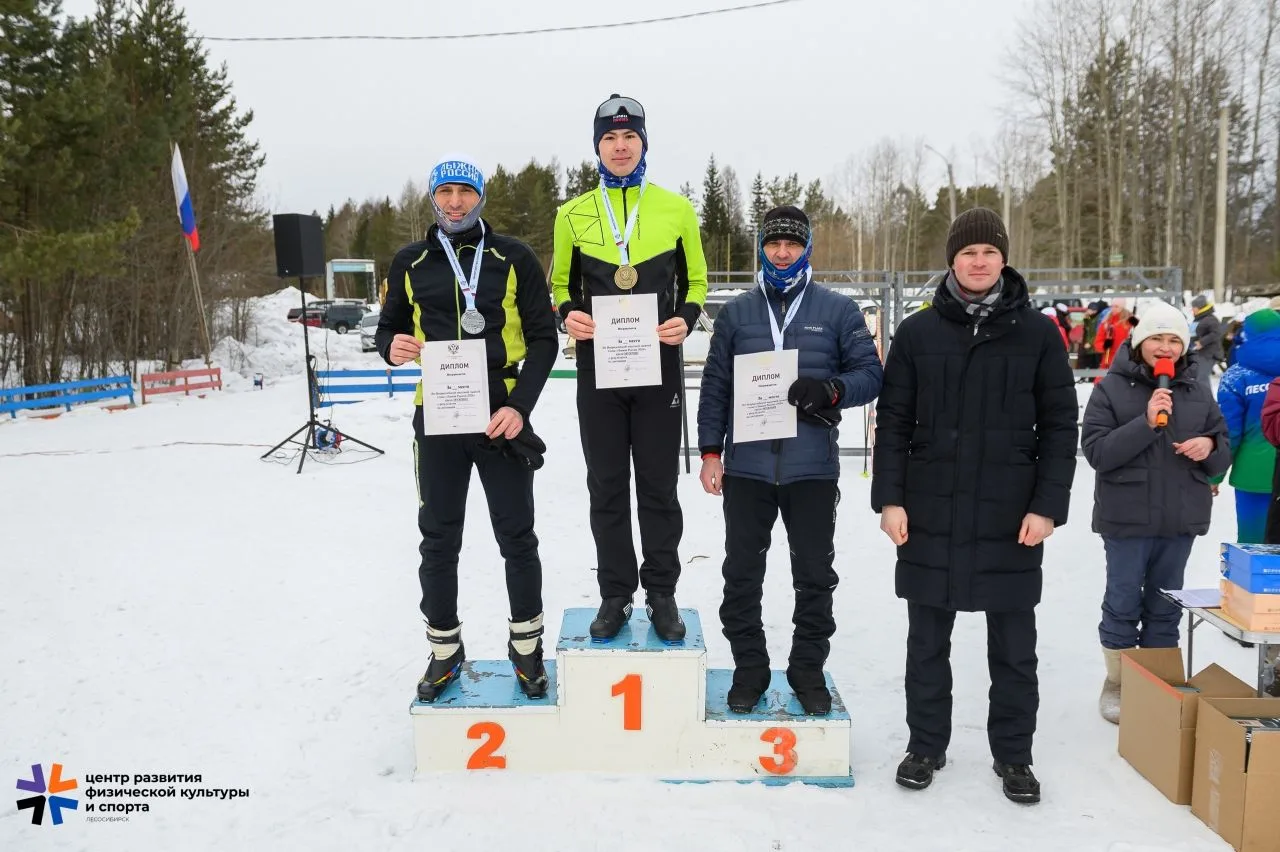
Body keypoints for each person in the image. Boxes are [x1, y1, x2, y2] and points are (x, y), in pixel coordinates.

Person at [871, 207, 1078, 804]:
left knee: (1014, 650)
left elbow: (1060, 426)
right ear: (952, 261)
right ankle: (925, 745)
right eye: (968, 252)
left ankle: (1014, 755)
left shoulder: (1038, 334)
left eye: (989, 251)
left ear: (1004, 259)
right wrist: (890, 499)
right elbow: (894, 423)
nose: (979, 261)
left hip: (1009, 516)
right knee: (926, 644)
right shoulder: (917, 333)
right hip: (930, 511)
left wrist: (1047, 506)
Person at [377, 155, 559, 702]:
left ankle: (526, 646)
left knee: (517, 535)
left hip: (500, 411)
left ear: (481, 198)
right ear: (433, 198)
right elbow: (388, 329)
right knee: (438, 538)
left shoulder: (514, 256)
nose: (455, 202)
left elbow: (544, 339)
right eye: (445, 192)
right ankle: (444, 650)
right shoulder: (409, 261)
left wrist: (520, 407)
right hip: (438, 412)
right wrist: (390, 348)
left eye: (465, 192)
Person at [696, 206, 883, 716]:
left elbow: (871, 374)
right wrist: (710, 451)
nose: (782, 253)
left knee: (815, 577)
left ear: (807, 248)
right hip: (747, 469)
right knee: (741, 576)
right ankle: (749, 669)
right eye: (774, 244)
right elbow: (715, 386)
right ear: (762, 248)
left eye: (793, 244)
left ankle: (807, 670)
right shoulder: (737, 313)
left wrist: (832, 389)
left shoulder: (837, 310)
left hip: (811, 470)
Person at [550, 94, 708, 642]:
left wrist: (686, 318)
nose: (620, 147)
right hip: (600, 372)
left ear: (644, 143)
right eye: (610, 139)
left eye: (630, 137)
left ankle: (661, 591)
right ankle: (616, 593)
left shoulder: (675, 208)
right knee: (607, 485)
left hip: (657, 367)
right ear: (597, 147)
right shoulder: (571, 214)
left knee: (659, 486)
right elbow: (560, 286)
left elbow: (696, 283)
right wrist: (568, 314)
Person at [1081, 301, 1229, 724]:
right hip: (1127, 517)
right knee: (1123, 600)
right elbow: (1097, 452)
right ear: (1139, 342)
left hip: (1179, 517)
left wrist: (1210, 447)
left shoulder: (1197, 389)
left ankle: (1158, 679)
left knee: (1166, 603)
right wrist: (1145, 423)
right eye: (1156, 339)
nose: (1165, 347)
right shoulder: (1110, 389)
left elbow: (1222, 451)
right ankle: (1118, 680)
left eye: (1173, 340)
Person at [1215, 308, 1280, 545]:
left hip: (1253, 475)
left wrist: (1215, 474)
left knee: (1253, 548)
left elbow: (1229, 431)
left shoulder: (1236, 376)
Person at [1190, 293, 1224, 378]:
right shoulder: (1200, 319)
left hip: (1208, 354)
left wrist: (1202, 342)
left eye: (1194, 307)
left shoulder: (1210, 319)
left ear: (1200, 307)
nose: (1192, 309)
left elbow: (1216, 333)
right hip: (1200, 353)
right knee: (1197, 377)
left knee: (1201, 378)